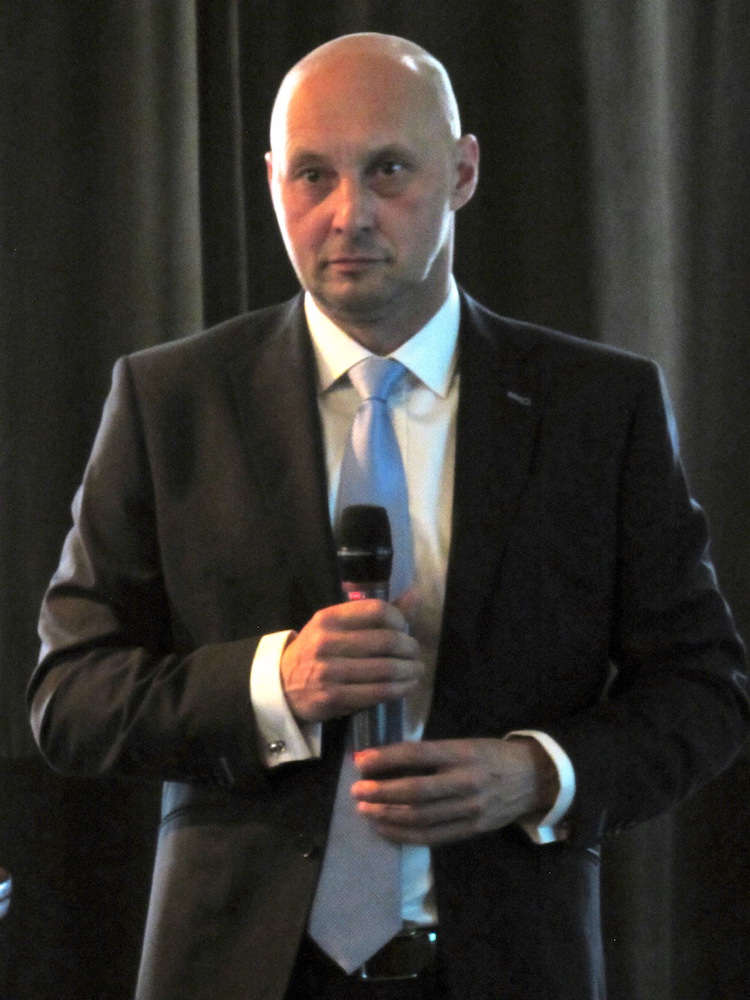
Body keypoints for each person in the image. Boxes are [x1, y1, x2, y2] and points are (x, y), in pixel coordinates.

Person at [28, 32, 748, 1000]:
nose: (349, 213)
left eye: (389, 171)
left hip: (509, 963)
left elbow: (703, 690)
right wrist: (275, 683)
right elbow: (70, 696)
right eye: (313, 175)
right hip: (237, 968)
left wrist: (540, 774)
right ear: (272, 181)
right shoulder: (170, 402)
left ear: (464, 172)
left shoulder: (597, 407)